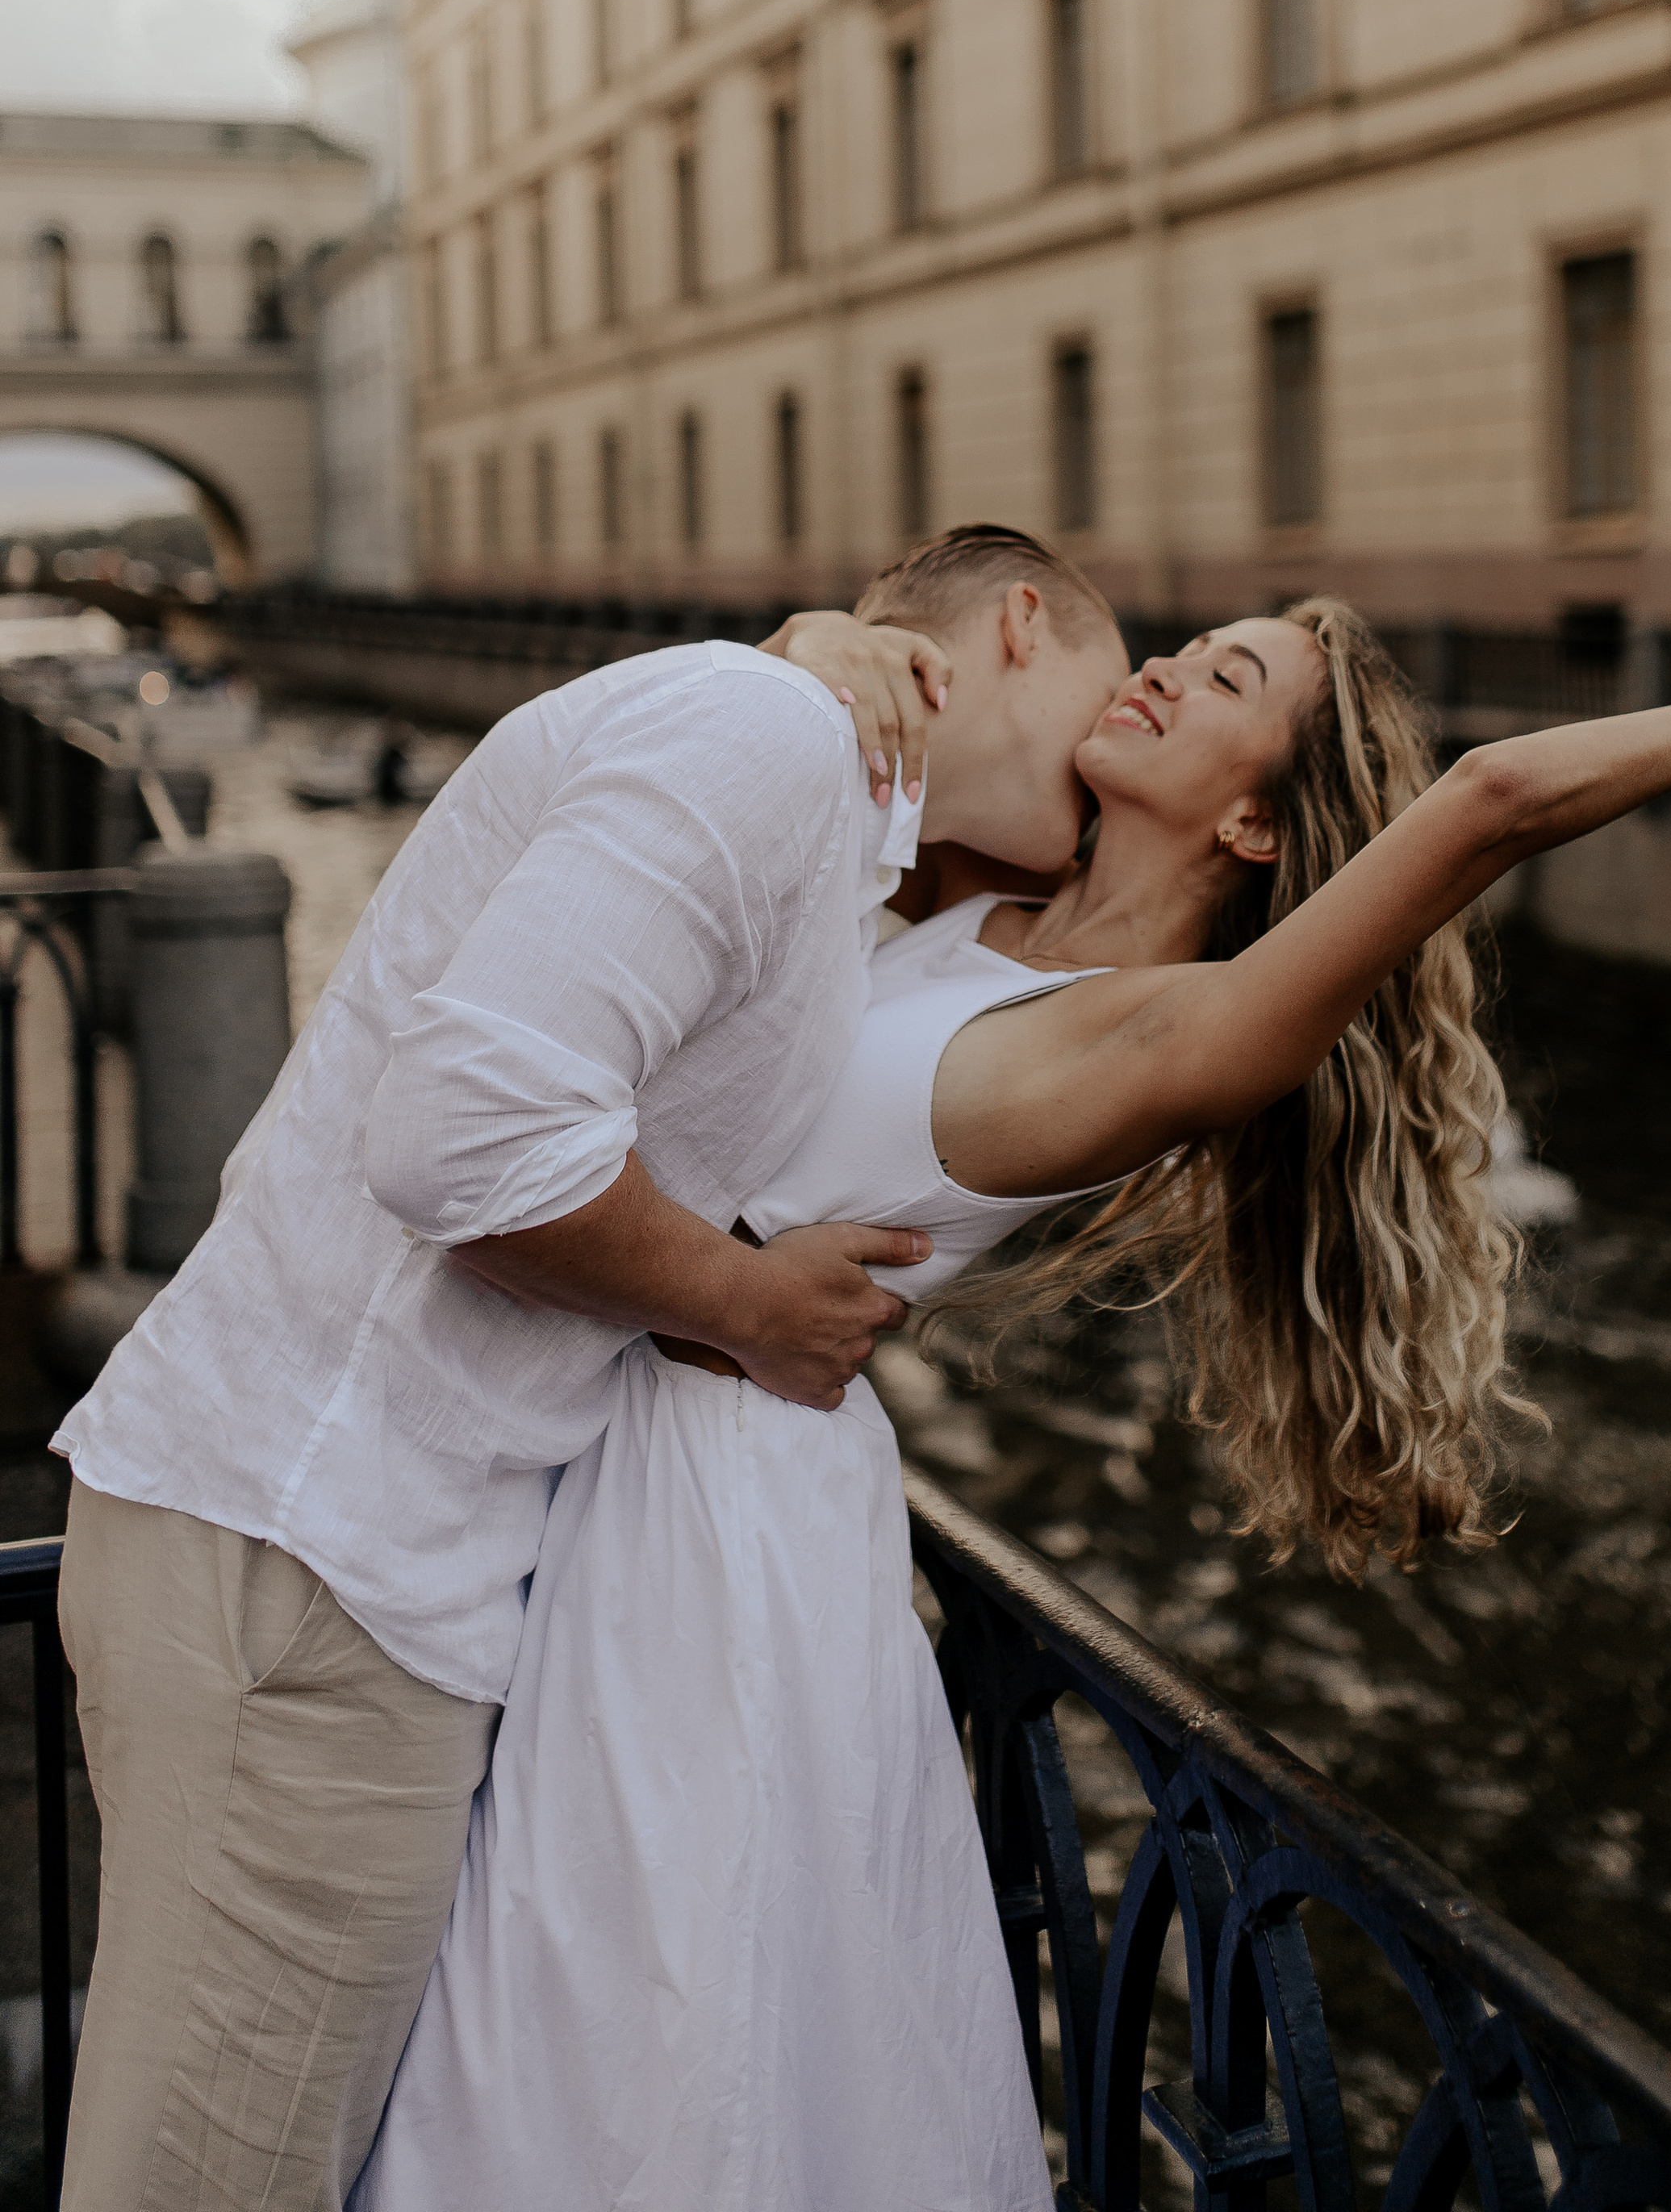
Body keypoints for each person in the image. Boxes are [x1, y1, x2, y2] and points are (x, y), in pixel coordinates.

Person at [355, 598, 1671, 2210]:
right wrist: (817, 643)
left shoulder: (1169, 1030)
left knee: (638, 2050)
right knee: (576, 2009)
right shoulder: (973, 907)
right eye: (1185, 646)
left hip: (717, 1526)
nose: (1166, 666)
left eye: (1226, 677)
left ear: (1252, 815)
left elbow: (1486, 803)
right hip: (632, 1447)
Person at [51, 529, 1129, 2212]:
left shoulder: (804, 771)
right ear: (1014, 624)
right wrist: (749, 1303)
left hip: (339, 1564)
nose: (1123, 730)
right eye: (1114, 681)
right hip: (312, 1567)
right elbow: (463, 1138)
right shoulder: (768, 744)